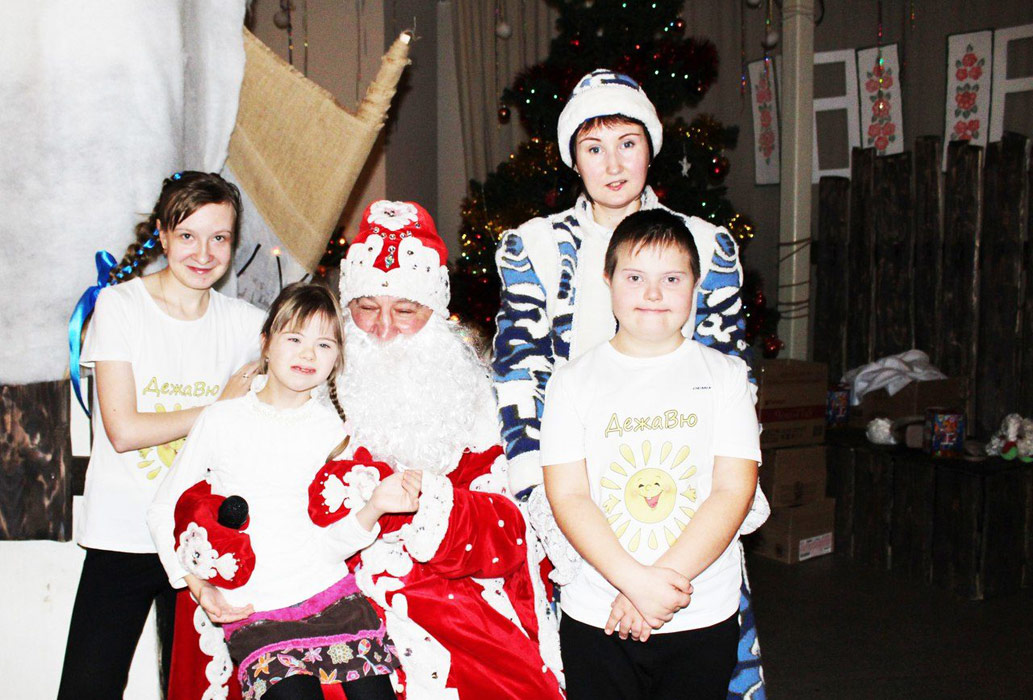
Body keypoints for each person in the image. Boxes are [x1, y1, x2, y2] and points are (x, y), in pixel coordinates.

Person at [492, 69, 768, 698]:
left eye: (627, 143)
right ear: (573, 158)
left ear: (651, 147)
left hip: (686, 496)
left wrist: (657, 577)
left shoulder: (703, 245)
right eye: (594, 148)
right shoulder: (534, 248)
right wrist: (564, 530)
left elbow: (730, 372)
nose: (612, 164)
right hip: (578, 498)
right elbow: (519, 380)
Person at [320, 199, 563, 698]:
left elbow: (510, 532)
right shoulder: (316, 382)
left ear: (434, 314)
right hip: (329, 588)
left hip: (449, 591)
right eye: (366, 307)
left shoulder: (471, 399)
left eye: (404, 310)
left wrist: (430, 506)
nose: (383, 328)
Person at [58, 171, 266, 700]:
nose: (204, 253)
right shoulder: (120, 306)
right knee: (88, 687)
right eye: (188, 235)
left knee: (197, 691)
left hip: (203, 540)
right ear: (163, 235)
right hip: (122, 532)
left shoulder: (248, 325)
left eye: (219, 237)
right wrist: (218, 407)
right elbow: (124, 429)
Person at [542, 209, 761, 699]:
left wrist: (656, 586)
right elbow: (569, 495)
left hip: (700, 612)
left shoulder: (726, 377)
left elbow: (733, 490)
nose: (653, 293)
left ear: (696, 285)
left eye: (672, 279)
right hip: (598, 612)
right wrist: (633, 583)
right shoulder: (571, 382)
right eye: (635, 277)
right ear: (608, 280)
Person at [149, 283, 405, 700]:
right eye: (295, 338)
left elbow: (329, 544)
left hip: (330, 595)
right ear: (266, 343)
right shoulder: (221, 420)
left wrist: (374, 507)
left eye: (324, 344)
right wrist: (197, 584)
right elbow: (164, 509)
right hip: (254, 608)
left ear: (337, 357)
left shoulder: (335, 432)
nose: (308, 354)